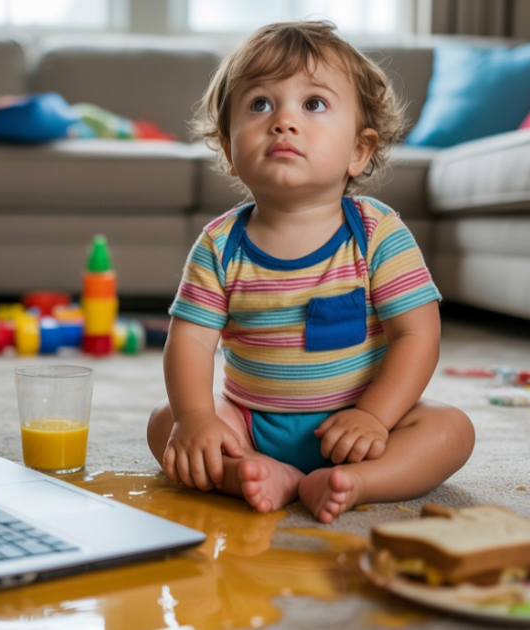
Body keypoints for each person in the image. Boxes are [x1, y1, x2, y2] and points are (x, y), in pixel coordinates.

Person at [146, 21, 475, 523]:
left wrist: (374, 416)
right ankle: (254, 470)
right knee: (167, 423)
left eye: (313, 104)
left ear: (358, 151)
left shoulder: (376, 233)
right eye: (259, 104)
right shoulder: (219, 245)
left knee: (452, 430)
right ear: (231, 151)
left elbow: (417, 335)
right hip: (251, 424)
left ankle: (358, 481)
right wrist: (196, 420)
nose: (283, 121)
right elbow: (189, 343)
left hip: (361, 428)